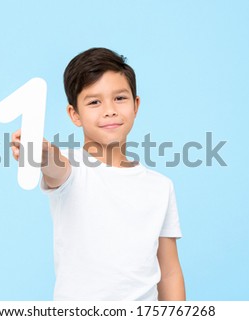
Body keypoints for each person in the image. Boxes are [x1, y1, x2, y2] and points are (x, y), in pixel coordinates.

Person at [11, 48, 186, 300]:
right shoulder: (71, 170)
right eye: (94, 102)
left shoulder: (160, 186)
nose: (109, 110)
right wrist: (41, 152)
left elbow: (169, 272)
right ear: (74, 114)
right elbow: (54, 164)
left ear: (136, 105)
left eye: (120, 98)